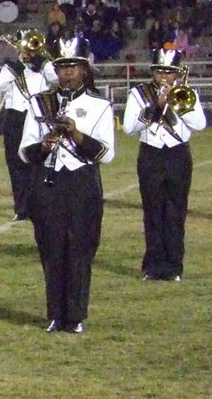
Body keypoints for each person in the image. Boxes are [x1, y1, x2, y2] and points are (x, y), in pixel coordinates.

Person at [20, 36, 115, 333]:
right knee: (50, 248)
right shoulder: (39, 103)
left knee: (80, 248)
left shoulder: (100, 105)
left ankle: (75, 315)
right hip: (48, 182)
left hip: (82, 182)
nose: (67, 73)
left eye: (73, 67)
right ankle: (55, 314)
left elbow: (107, 153)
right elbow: (24, 151)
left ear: (84, 70)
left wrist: (76, 135)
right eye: (62, 67)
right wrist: (45, 146)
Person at [124, 48, 206, 281]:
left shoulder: (187, 92)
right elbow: (130, 127)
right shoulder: (139, 93)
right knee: (152, 211)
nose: (163, 77)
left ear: (177, 74)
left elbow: (199, 124)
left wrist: (178, 104)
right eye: (160, 71)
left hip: (178, 155)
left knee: (176, 211)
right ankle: (152, 265)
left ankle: (173, 266)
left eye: (169, 72)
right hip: (151, 155)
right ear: (153, 71)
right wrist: (155, 107)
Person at [0, 32, 58, 220]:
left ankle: (40, 205)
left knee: (38, 163)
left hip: (38, 119)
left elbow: (55, 79)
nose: (30, 50)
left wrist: (43, 62)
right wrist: (18, 66)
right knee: (16, 163)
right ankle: (21, 209)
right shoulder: (14, 68)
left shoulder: (44, 68)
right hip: (15, 119)